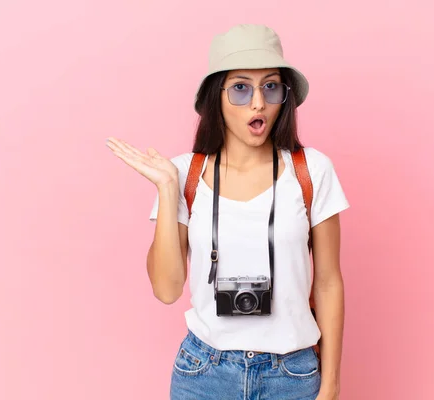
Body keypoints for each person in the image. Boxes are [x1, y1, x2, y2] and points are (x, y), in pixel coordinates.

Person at [106, 24, 349, 400]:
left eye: (270, 86)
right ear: (215, 98)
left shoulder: (312, 171)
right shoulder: (184, 173)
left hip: (292, 374)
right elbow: (167, 289)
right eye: (240, 88)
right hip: (204, 373)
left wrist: (331, 384)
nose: (257, 102)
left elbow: (329, 282)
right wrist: (168, 189)